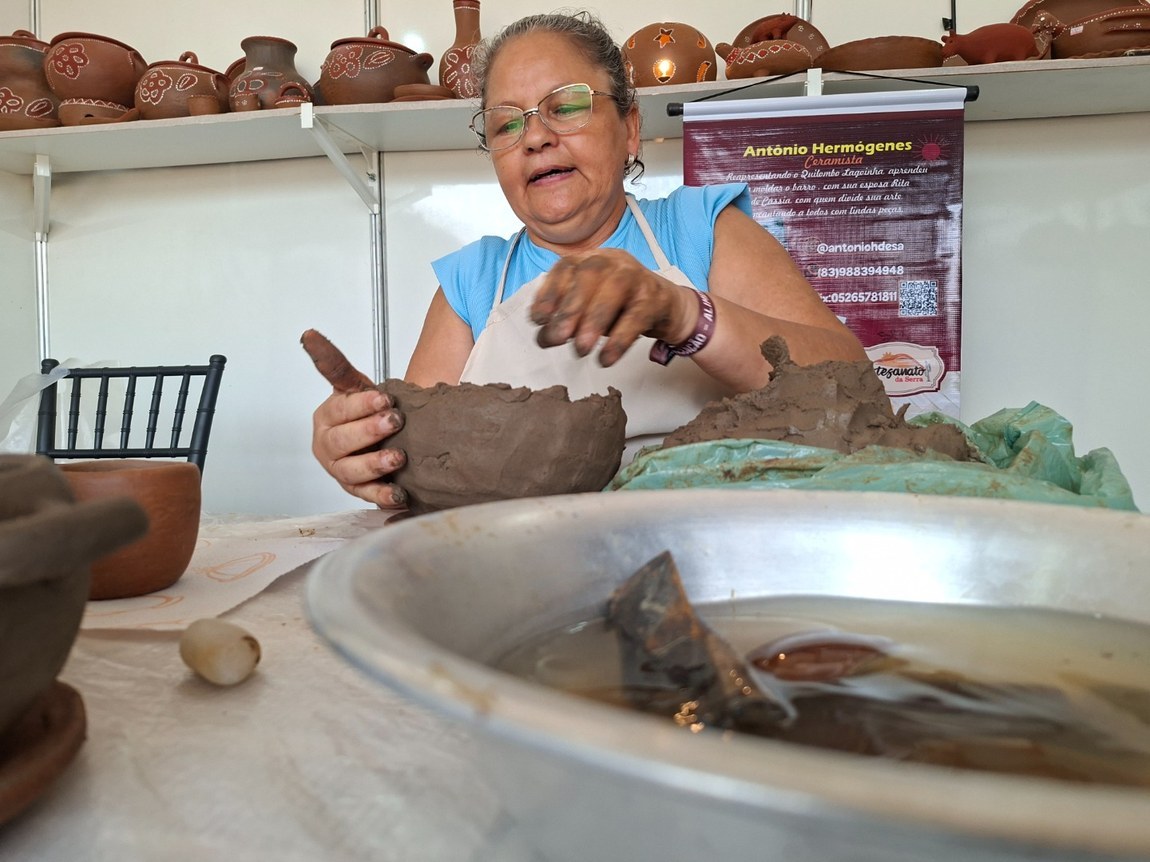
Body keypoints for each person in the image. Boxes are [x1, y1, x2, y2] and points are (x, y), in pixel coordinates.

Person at [311, 11, 868, 511]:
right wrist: (369, 445)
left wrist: (686, 316)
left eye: (567, 105)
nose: (534, 137)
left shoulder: (702, 228)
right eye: (506, 122)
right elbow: (424, 476)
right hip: (532, 576)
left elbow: (856, 386)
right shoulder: (471, 281)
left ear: (629, 128)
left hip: (712, 546)